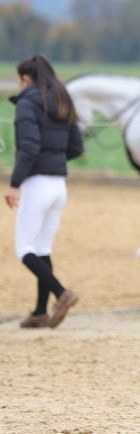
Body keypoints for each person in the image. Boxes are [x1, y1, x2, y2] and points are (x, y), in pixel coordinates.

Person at [5, 55, 84, 328]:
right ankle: (40, 312)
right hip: (58, 185)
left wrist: (14, 183)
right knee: (41, 248)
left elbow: (28, 147)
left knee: (24, 249)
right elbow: (76, 147)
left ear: (26, 79)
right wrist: (53, 157)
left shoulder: (27, 103)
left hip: (37, 183)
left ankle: (61, 293)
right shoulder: (63, 100)